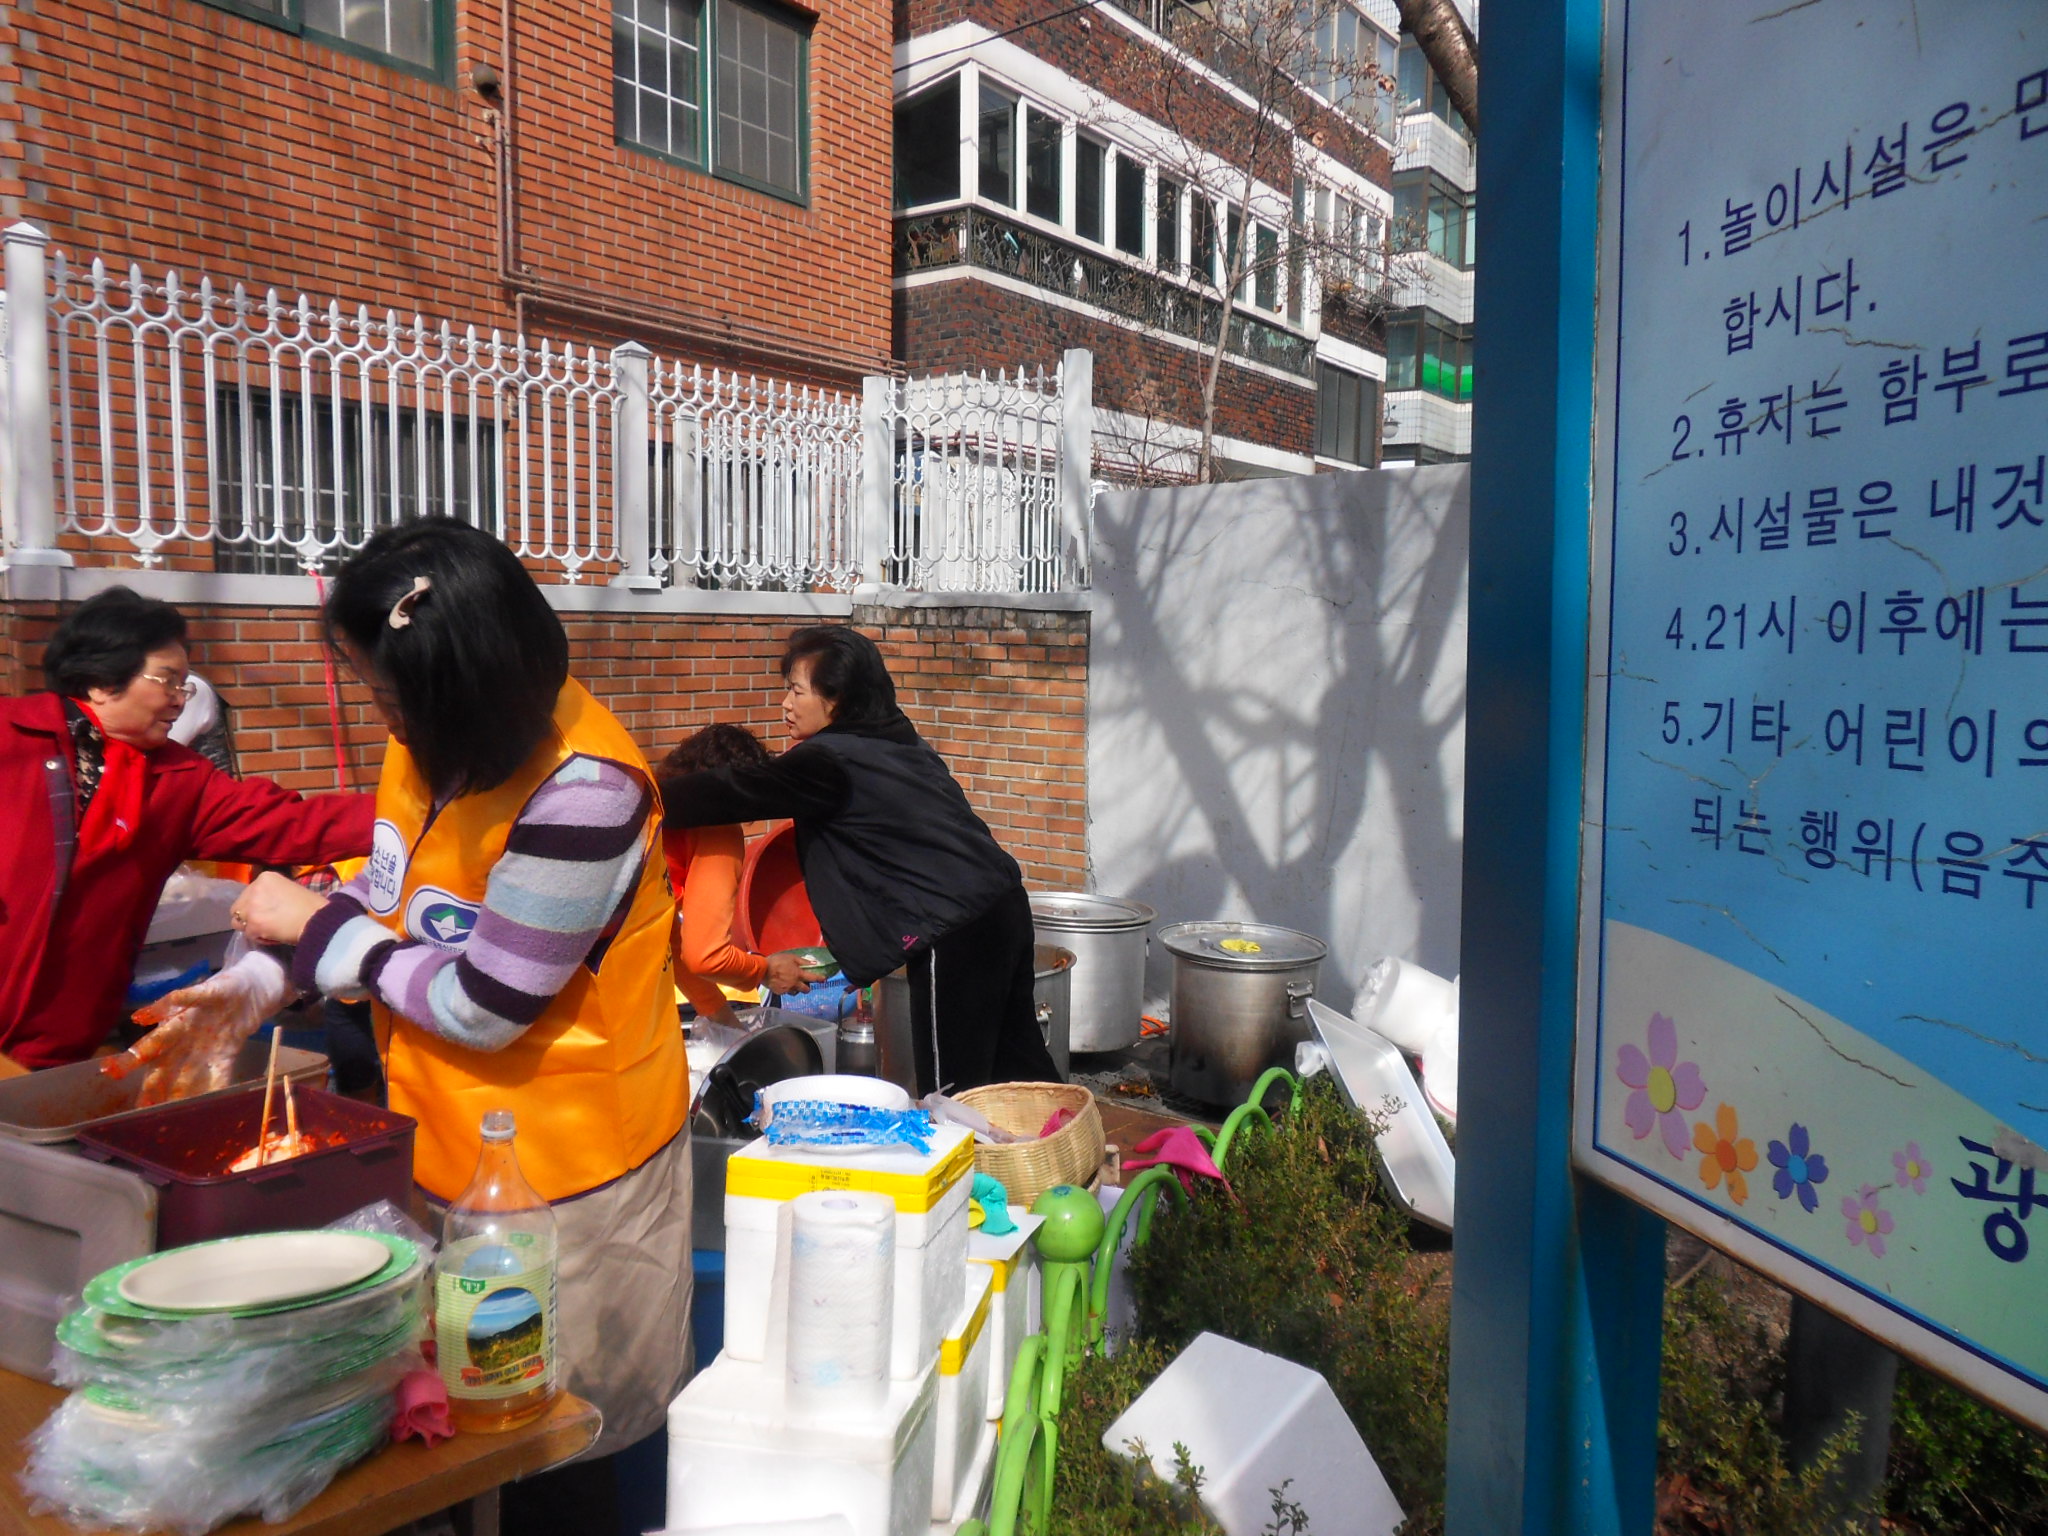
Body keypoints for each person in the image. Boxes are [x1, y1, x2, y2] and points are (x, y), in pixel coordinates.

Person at [155, 519, 688, 1527]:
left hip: (574, 1179)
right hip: (451, 1149)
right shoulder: (435, 748)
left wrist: (315, 926)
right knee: (468, 1427)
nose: (380, 712)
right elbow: (399, 899)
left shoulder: (587, 795)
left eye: (389, 692)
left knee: (556, 1439)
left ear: (463, 687)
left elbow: (484, 1005)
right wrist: (264, 982)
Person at [659, 624, 1059, 1096]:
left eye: (796, 691)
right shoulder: (897, 741)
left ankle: (972, 1165)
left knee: (955, 1091)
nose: (786, 705)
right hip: (1004, 906)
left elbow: (738, 791)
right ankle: (1067, 1152)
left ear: (838, 699)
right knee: (1021, 1065)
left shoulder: (829, 762)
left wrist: (639, 792)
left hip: (955, 933)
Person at [0, 587, 371, 1074]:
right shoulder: (13, 739)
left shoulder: (177, 779)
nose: (179, 700)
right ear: (100, 682)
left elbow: (295, 824)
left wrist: (412, 811)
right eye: (167, 681)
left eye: (185, 687)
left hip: (55, 1048)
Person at [658, 724, 811, 1026]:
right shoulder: (717, 828)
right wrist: (765, 970)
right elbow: (707, 955)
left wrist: (719, 1016)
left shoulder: (651, 803)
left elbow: (669, 940)